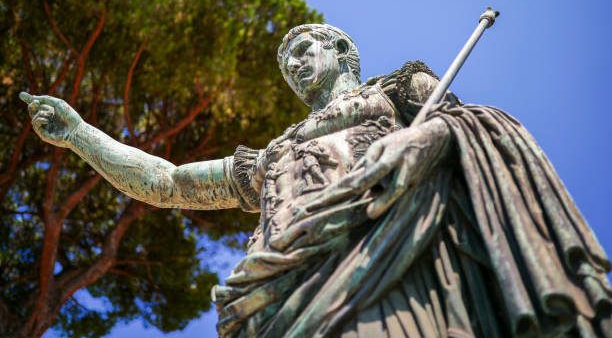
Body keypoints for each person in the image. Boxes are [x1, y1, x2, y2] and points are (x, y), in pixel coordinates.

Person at [21, 24, 611, 337]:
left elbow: (468, 126)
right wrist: (79, 134)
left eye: (304, 50)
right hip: (283, 292)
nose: (294, 66)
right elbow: (169, 181)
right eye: (286, 64)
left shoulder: (396, 90)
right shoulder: (273, 153)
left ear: (342, 50)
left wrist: (420, 139)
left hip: (388, 258)